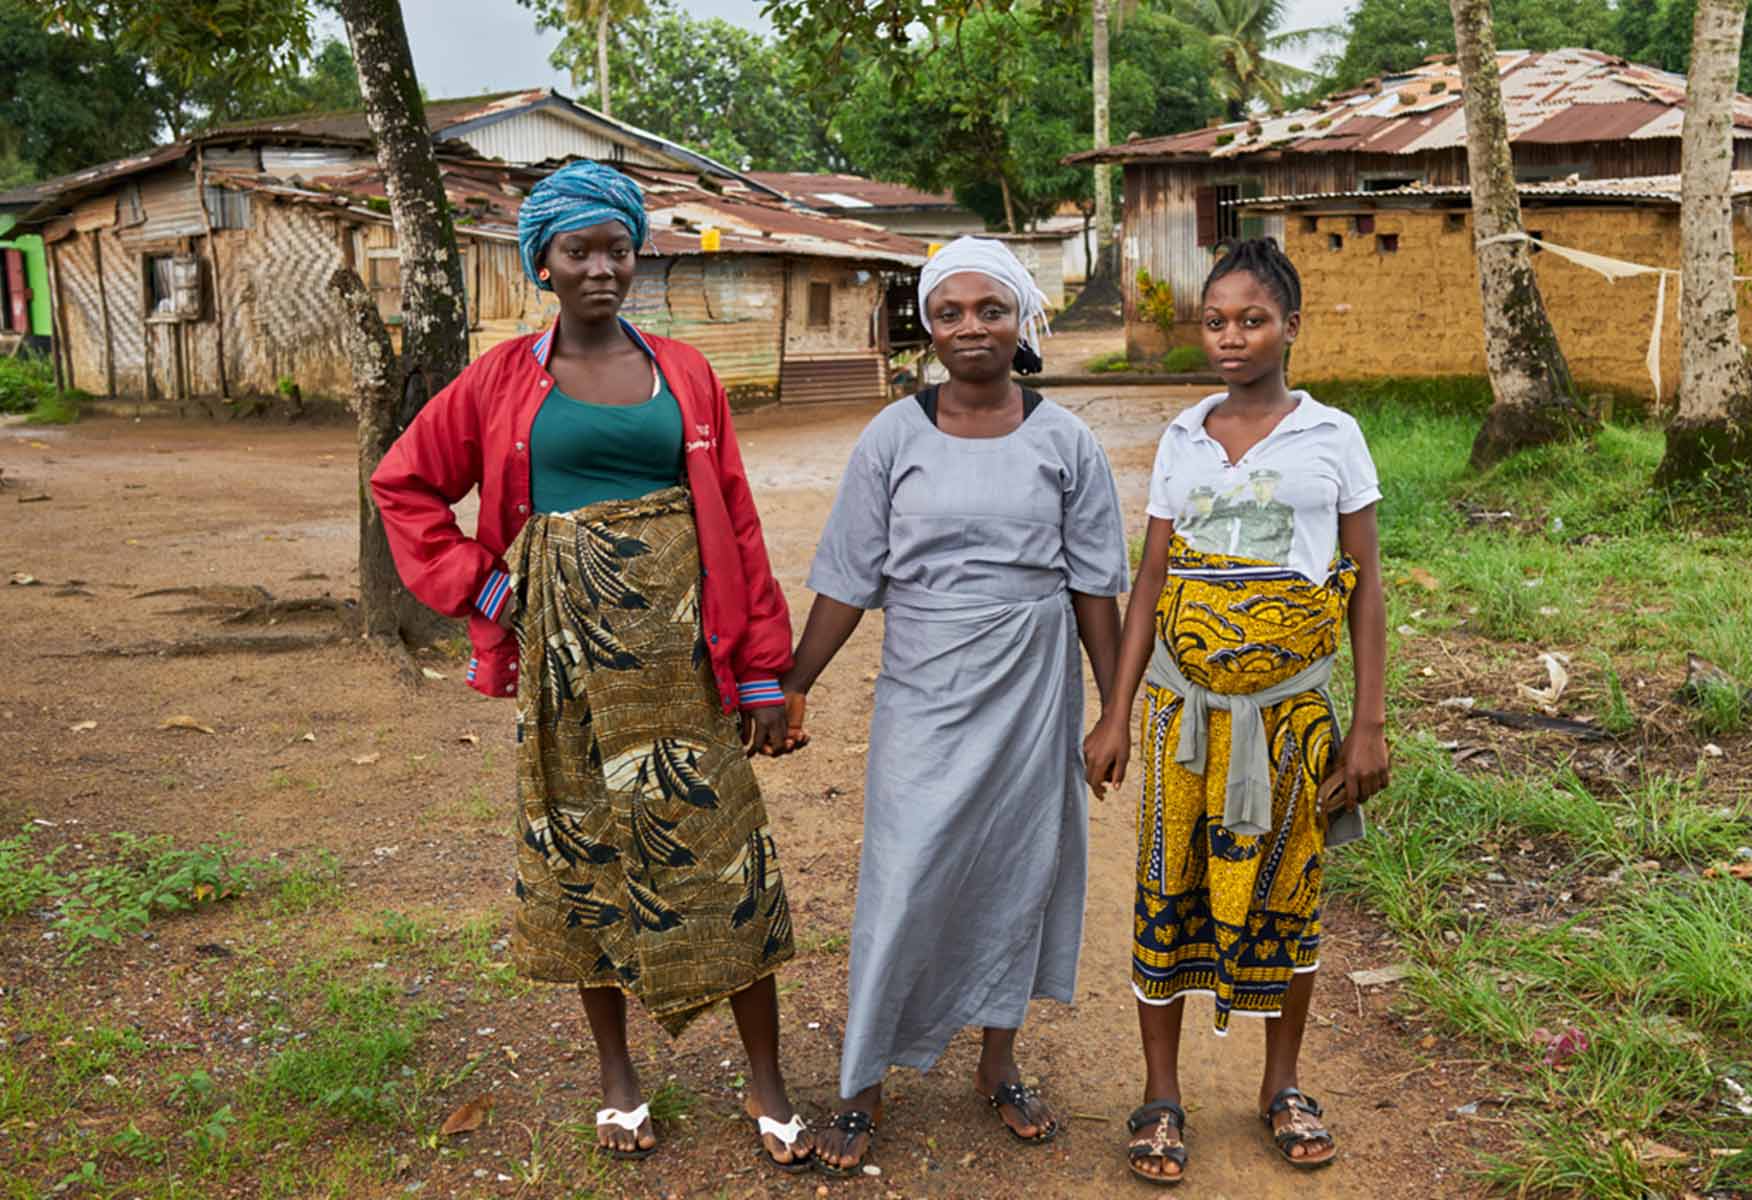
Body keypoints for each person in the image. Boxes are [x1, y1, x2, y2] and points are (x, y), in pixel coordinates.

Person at [370, 160, 814, 1172]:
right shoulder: (497, 380)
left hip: (683, 668)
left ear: (635, 253)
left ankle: (767, 1078)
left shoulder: (687, 373)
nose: (601, 267)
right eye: (579, 251)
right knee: (587, 864)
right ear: (544, 264)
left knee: (728, 859)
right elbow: (404, 484)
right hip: (568, 679)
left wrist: (760, 674)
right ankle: (617, 1078)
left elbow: (734, 522)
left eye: (618, 247)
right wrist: (488, 591)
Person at [780, 236, 1129, 1176]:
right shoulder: (894, 435)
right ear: (925, 326)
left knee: (1019, 872)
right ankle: (860, 1083)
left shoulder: (1067, 440)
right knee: (902, 875)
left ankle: (998, 1062)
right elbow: (851, 576)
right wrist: (796, 679)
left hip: (1031, 685)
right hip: (925, 685)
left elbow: (1096, 586)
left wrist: (1112, 712)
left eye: (990, 310)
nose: (969, 328)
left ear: (1021, 321)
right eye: (949, 313)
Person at [1083, 237, 1389, 1183]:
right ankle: (1161, 1094)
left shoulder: (1332, 435)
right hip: (1189, 722)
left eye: (1251, 319)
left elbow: (1366, 584)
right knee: (1168, 892)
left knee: (1291, 894)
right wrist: (1116, 710)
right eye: (1215, 321)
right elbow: (1152, 581)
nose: (1230, 337)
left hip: (1292, 720)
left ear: (1291, 326)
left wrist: (1369, 720)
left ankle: (1281, 1085)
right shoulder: (1182, 438)